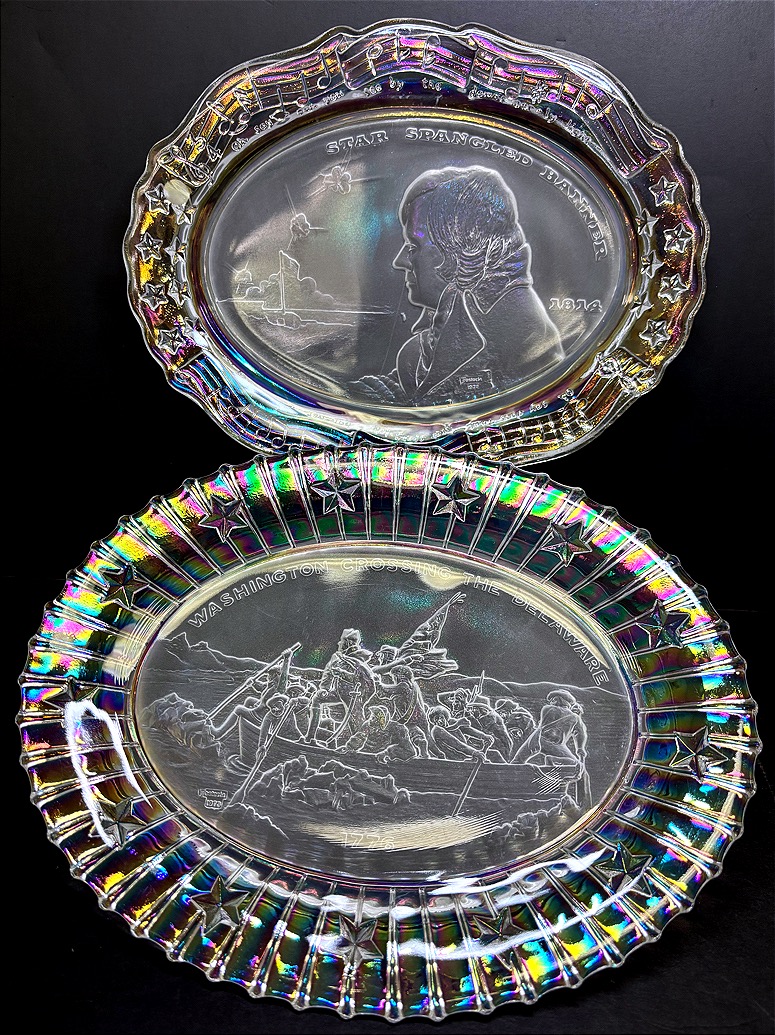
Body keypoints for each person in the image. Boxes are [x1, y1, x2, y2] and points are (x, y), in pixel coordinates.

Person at [356, 166, 562, 405]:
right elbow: (415, 388)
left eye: (413, 246)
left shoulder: (524, 341)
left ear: (458, 249)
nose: (399, 261)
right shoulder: (439, 334)